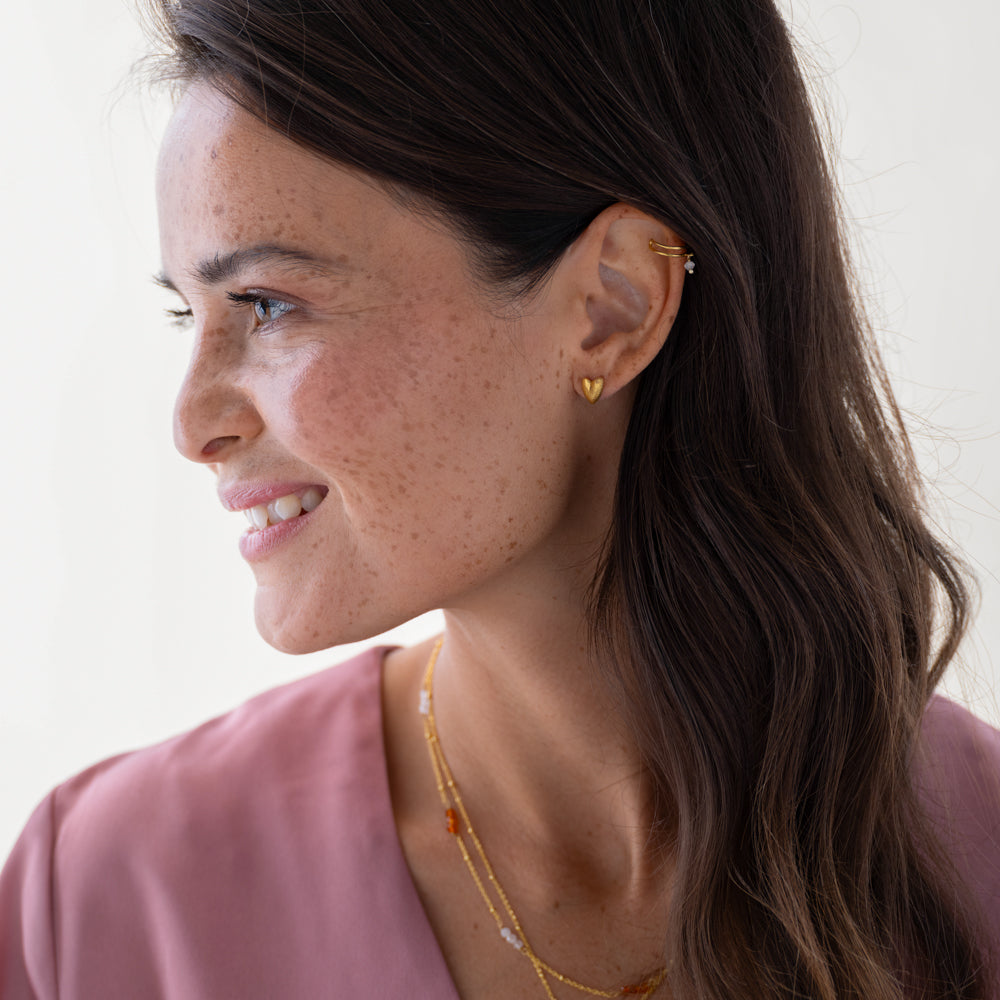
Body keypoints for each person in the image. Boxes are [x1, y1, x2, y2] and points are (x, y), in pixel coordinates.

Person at [2, 0, 998, 997]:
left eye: (267, 303)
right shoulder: (106, 902)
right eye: (190, 312)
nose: (192, 423)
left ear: (613, 305)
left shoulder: (979, 857)